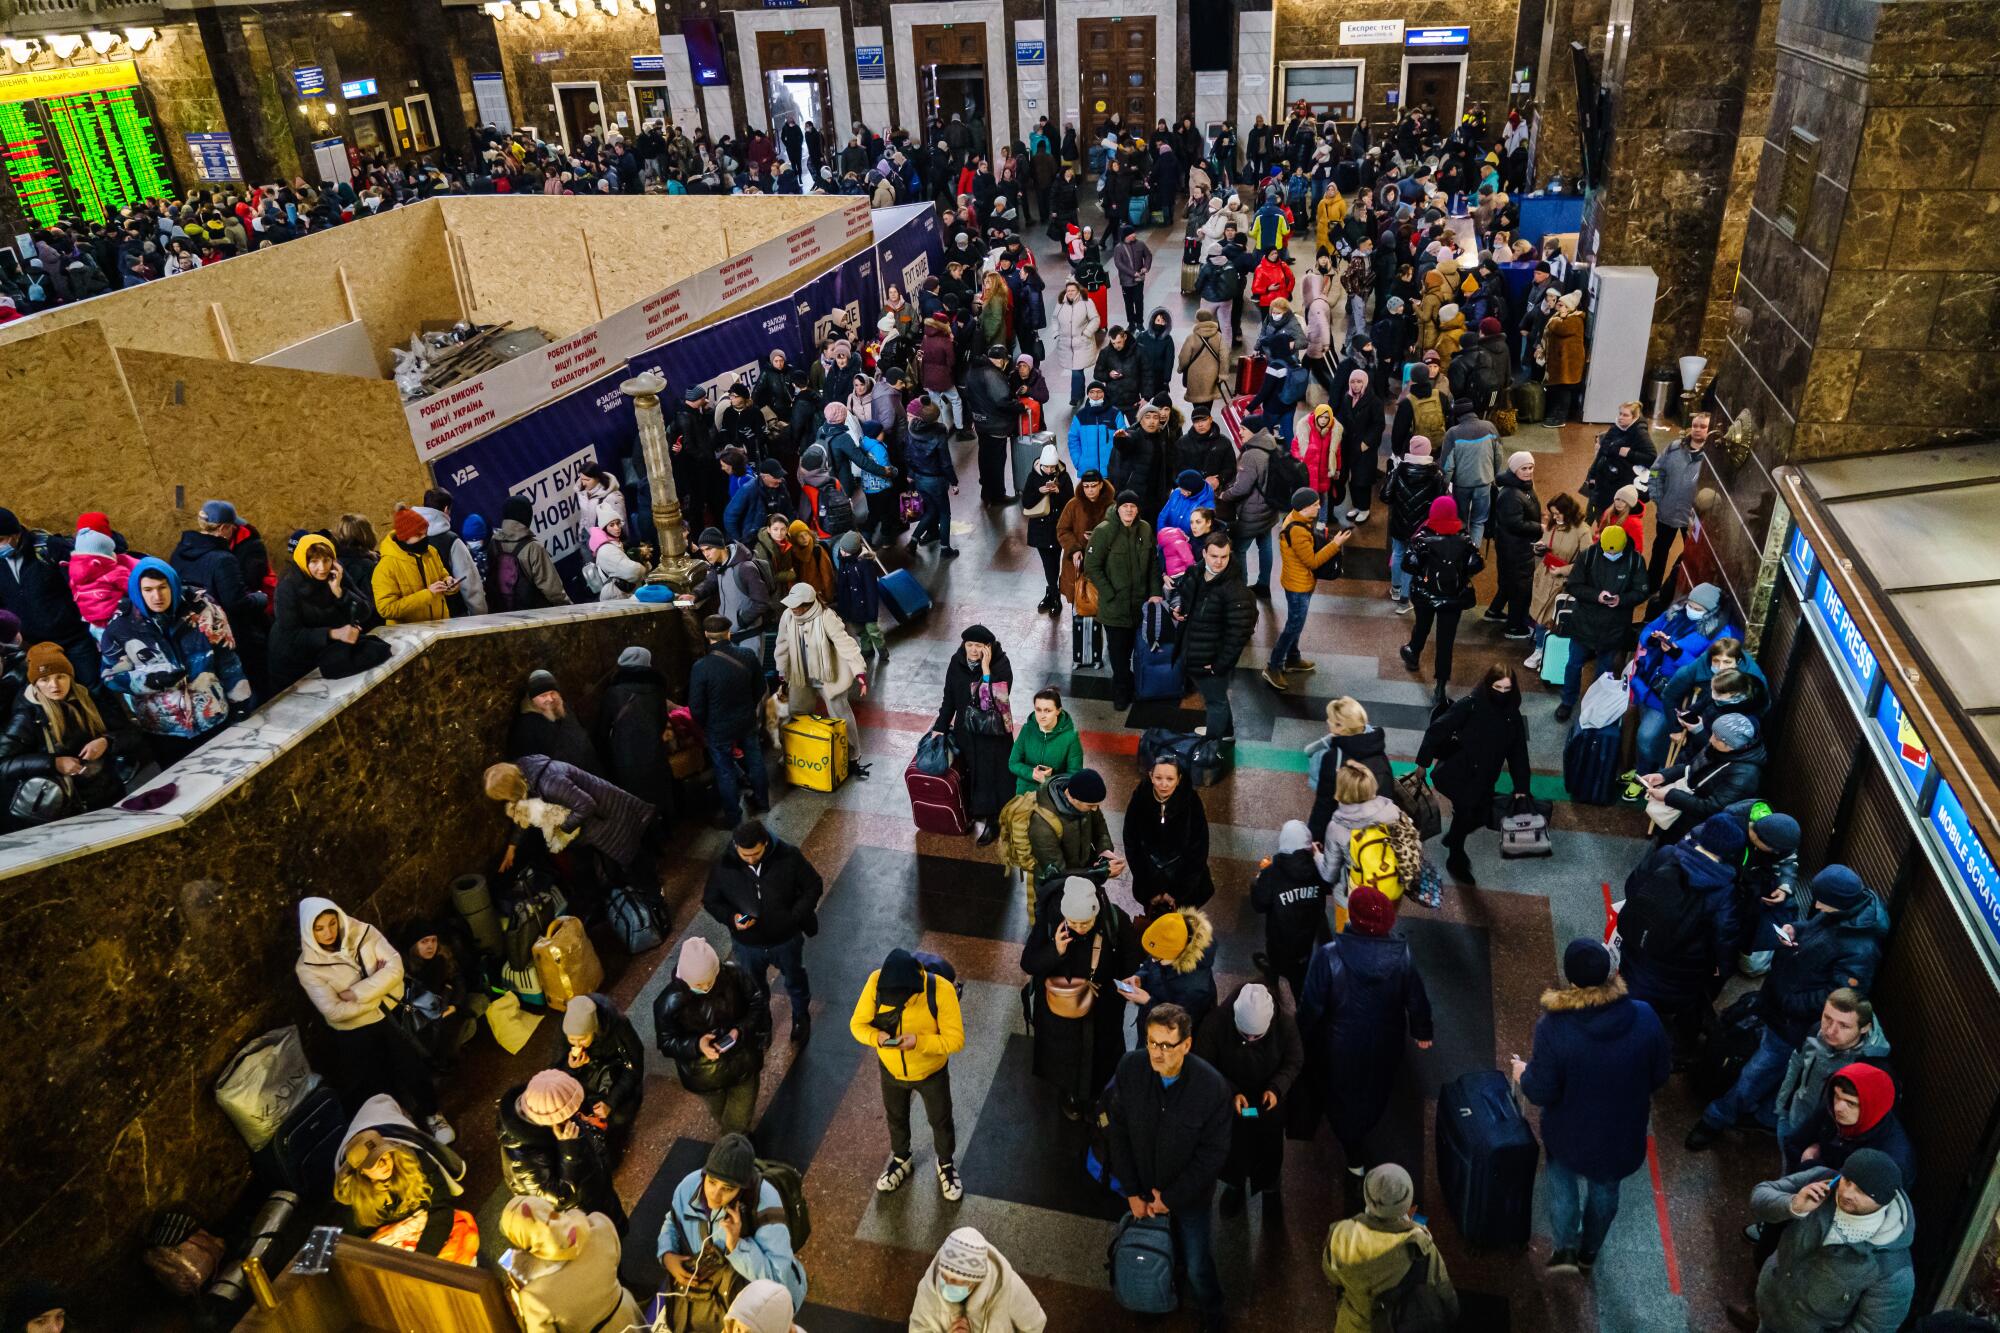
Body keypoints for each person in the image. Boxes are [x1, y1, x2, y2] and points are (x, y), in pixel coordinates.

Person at [1690, 865, 1890, 1151]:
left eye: (1823, 901)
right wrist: (1796, 928)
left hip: (1791, 1023)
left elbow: (1838, 996)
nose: (1817, 905)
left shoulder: (1862, 950)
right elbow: (1817, 928)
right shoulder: (1845, 917)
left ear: (1839, 902)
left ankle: (1715, 1119)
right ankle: (1763, 1116)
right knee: (1770, 1072)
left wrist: (1790, 1002)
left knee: (1756, 1073)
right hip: (1780, 1006)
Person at [1511, 939, 1670, 1274]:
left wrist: (1522, 1074)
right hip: (1621, 1135)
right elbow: (1660, 1073)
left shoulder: (1554, 1028)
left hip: (1569, 1132)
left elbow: (1540, 1090)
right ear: (1611, 973)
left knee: (1563, 1189)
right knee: (1605, 1193)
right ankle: (1590, 1251)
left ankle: (1565, 1249)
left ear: (1571, 982)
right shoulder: (1645, 1015)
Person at [1104, 1002, 1233, 1330]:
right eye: (1151, 1042)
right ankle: (1150, 1296)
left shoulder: (1212, 1088)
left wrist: (1170, 1199)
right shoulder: (1131, 1069)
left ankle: (1213, 1312)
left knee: (1196, 1263)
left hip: (1188, 1199)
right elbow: (1117, 1132)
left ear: (1186, 1045)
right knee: (1148, 1248)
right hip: (1142, 1188)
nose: (1157, 1053)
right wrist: (1132, 1191)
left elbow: (1212, 1156)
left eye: (1166, 1045)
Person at [1300, 885, 1433, 1174]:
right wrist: (1422, 1031)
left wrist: (1303, 1039)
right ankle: (1370, 1120)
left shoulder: (1329, 956)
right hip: (1387, 1038)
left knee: (1342, 1090)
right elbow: (1415, 997)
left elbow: (1311, 1006)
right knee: (1378, 1084)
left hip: (1340, 1044)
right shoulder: (1402, 955)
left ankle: (1352, 1150)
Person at [295, 897, 450, 1142]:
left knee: (411, 1065)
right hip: (353, 1030)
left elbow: (395, 968)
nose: (328, 932)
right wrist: (377, 983)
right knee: (376, 1078)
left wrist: (356, 994)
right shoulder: (308, 967)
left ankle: (432, 1114)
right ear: (308, 929)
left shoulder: (362, 932)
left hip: (388, 1014)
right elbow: (333, 1010)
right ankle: (402, 1122)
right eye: (319, 928)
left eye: (331, 923)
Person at [1729, 1149, 1914, 1333]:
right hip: (1769, 1299)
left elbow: (1869, 1329)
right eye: (1847, 1181)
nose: (1847, 1193)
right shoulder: (1823, 1180)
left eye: (1861, 1191)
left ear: (1883, 1201)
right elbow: (1760, 1196)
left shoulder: (1894, 1271)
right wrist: (1793, 1205)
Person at [99, 558, 253, 765]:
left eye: (163, 587)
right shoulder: (120, 628)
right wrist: (148, 681)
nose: (157, 596)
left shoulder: (203, 611)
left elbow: (227, 657)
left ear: (173, 584)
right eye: (148, 589)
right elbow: (110, 676)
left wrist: (240, 700)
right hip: (164, 729)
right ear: (138, 591)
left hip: (212, 715)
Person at [1616, 813, 1745, 1049]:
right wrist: (1723, 968)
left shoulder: (1667, 854)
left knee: (1633, 991)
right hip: (1680, 966)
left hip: (1637, 945)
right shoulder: (1724, 891)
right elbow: (1725, 937)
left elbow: (1632, 885)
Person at [850, 947, 967, 1202]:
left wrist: (919, 1042)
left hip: (931, 1072)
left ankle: (945, 1164)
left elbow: (956, 1040)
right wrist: (875, 1037)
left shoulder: (941, 991)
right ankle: (901, 1159)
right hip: (891, 1070)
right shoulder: (875, 982)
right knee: (896, 1118)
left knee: (941, 1120)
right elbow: (857, 1025)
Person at [1022, 876, 1139, 1119]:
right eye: (1073, 922)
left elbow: (1130, 963)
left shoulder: (1115, 921)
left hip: (1103, 1006)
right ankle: (1071, 1094)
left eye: (1086, 922)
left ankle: (1100, 1094)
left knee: (1102, 1054)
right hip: (1062, 1010)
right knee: (1066, 1058)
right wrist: (1056, 950)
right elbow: (1029, 962)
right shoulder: (1050, 919)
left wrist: (1128, 985)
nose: (1080, 927)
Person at [656, 1135, 808, 1317]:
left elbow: (776, 1278)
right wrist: (667, 1254)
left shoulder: (764, 1203)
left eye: (727, 1189)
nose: (715, 1194)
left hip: (750, 1303)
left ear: (741, 1189)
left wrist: (736, 1246)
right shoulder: (689, 1186)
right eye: (711, 1181)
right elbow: (673, 1221)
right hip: (710, 1294)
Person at [485, 758, 657, 916]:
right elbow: (524, 810)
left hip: (606, 816)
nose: (505, 801)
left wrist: (562, 826)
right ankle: (625, 900)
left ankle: (654, 903)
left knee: (632, 856)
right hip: (595, 822)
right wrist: (512, 846)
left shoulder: (549, 783)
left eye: (503, 797)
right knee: (606, 862)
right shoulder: (525, 770)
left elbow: (586, 805)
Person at [705, 820, 825, 1044]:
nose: (751, 859)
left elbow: (813, 885)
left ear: (766, 843)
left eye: (756, 853)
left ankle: (800, 1018)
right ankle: (763, 1024)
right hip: (748, 944)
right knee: (754, 989)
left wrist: (794, 916)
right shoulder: (724, 865)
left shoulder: (788, 856)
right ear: (735, 846)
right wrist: (732, 918)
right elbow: (711, 900)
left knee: (796, 981)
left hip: (786, 940)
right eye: (745, 855)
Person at [0, 643, 141, 824]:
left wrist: (107, 742)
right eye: (44, 680)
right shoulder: (27, 716)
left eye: (61, 676)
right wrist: (53, 763)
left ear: (70, 677)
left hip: (108, 793)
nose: (54, 685)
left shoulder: (88, 699)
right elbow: (3, 764)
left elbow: (132, 733)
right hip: (66, 806)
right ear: (35, 684)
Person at [1418, 664, 1533, 885]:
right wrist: (1422, 763)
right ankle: (1456, 856)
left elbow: (1519, 754)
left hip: (1485, 777)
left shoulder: (1512, 717)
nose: (1501, 693)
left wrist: (1521, 789)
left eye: (1506, 689)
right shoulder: (1470, 705)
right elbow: (1438, 729)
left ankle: (1454, 839)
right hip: (1458, 773)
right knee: (1466, 813)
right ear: (1489, 684)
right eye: (1497, 687)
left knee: (1479, 814)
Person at [1194, 982, 1302, 1208]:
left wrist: (1276, 1088)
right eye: (1245, 1035)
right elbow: (1204, 1064)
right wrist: (1230, 1091)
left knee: (1270, 1151)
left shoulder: (1285, 1023)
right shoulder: (1216, 1023)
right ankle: (1236, 1186)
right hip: (1229, 1103)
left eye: (1257, 1036)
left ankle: (1271, 1189)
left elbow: (1293, 1061)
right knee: (1233, 1150)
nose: (1251, 1040)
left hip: (1268, 1104)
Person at [653, 936, 772, 1136]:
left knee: (734, 1126)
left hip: (743, 1062)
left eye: (710, 980)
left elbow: (757, 1003)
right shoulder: (668, 1003)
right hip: (704, 1075)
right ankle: (740, 1144)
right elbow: (666, 1042)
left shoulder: (734, 975)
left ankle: (733, 1150)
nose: (706, 987)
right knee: (725, 1117)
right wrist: (697, 1045)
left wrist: (740, 1030)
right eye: (699, 984)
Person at [1321, 1163, 1459, 1333]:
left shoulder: (1340, 1234)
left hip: (1353, 1326)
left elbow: (1331, 1275)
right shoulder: (1418, 1244)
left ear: (1367, 1196)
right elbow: (1441, 1286)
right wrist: (1452, 1315)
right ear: (1407, 1202)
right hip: (1398, 1325)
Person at [1775, 991, 1893, 1172]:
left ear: (1864, 1028)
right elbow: (1796, 1065)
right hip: (1795, 1114)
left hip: (1823, 1137)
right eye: (1827, 1018)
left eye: (1844, 1026)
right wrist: (1783, 1105)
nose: (1830, 1030)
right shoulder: (1816, 1031)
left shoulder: (1871, 1066)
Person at [497, 1195, 641, 1333]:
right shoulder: (600, 1226)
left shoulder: (534, 1297)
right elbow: (616, 1256)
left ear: (524, 1243)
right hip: (626, 1311)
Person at [269, 533, 389, 692]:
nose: (322, 567)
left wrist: (340, 592)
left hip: (327, 656)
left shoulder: (336, 575)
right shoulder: (288, 587)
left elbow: (364, 612)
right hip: (294, 664)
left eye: (327, 560)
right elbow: (291, 634)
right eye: (314, 561)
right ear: (303, 562)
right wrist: (334, 633)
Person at [930, 625, 1015, 845]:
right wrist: (940, 726)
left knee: (993, 777)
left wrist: (986, 671)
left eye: (979, 646)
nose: (974, 650)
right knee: (974, 774)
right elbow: (949, 697)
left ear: (988, 647)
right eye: (970, 645)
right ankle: (978, 811)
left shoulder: (1001, 665)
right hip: (966, 732)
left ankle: (994, 820)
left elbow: (994, 703)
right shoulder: (956, 662)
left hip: (992, 734)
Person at [1555, 525, 1648, 722]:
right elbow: (1573, 584)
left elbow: (1641, 591)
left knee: (1604, 670)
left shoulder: (1635, 561)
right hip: (1584, 623)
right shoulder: (1588, 555)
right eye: (1606, 551)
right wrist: (1597, 596)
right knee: (1573, 664)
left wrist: (1620, 600)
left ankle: (1595, 704)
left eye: (1614, 552)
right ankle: (1568, 701)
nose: (1610, 555)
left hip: (1613, 627)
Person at [773, 583, 869, 770]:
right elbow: (782, 643)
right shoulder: (788, 616)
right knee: (796, 714)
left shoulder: (826, 617)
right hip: (801, 675)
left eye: (797, 605)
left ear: (808, 604)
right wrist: (782, 669)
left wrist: (859, 671)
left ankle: (852, 754)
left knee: (840, 714)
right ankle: (793, 752)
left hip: (828, 675)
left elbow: (845, 643)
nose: (793, 609)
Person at [689, 615, 772, 827]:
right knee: (755, 760)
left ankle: (733, 816)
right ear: (729, 633)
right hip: (746, 720)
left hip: (718, 726)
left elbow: (696, 706)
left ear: (707, 636)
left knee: (724, 769)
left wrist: (705, 724)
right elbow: (760, 688)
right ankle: (762, 801)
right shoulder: (747, 655)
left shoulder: (701, 666)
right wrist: (748, 707)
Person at [1082, 490, 1162, 711]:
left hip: (1140, 606)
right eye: (1125, 506)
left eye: (1133, 507)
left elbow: (1153, 564)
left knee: (1138, 650)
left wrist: (1155, 592)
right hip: (1114, 609)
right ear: (1117, 508)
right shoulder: (1104, 531)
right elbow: (1092, 566)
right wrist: (1109, 593)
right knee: (1119, 655)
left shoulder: (1145, 529)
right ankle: (1121, 692)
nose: (1129, 510)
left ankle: (1132, 686)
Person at [1398, 496, 1483, 702]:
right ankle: (1440, 685)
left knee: (1422, 626)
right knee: (1446, 640)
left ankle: (1413, 654)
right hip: (1453, 598)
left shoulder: (1422, 537)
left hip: (1426, 595)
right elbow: (1476, 564)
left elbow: (1408, 564)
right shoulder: (1464, 538)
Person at [1173, 532, 1257, 740]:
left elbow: (1238, 634)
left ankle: (1214, 741)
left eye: (1224, 557)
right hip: (1195, 647)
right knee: (1216, 697)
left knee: (1214, 700)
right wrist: (1179, 607)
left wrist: (1220, 663)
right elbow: (1186, 595)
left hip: (1210, 656)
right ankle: (1225, 732)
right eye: (1214, 556)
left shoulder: (1236, 591)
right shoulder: (1195, 572)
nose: (1219, 562)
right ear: (1204, 554)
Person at [1267, 489, 1351, 691]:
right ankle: (1273, 666)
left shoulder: (1296, 519)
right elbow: (1312, 562)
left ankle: (1293, 658)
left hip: (1297, 581)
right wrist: (1335, 544)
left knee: (1295, 623)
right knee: (1293, 626)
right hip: (1298, 586)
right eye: (1315, 504)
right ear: (1304, 508)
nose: (1319, 506)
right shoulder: (1297, 531)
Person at [553, 993, 645, 1162]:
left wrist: (611, 1102)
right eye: (572, 1040)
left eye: (582, 1039)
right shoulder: (567, 1028)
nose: (576, 1044)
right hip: (588, 1082)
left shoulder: (619, 1027)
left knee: (619, 1117)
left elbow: (634, 1068)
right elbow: (555, 1070)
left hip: (616, 1079)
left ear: (594, 1030)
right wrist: (571, 1068)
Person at [1638, 712, 1767, 831]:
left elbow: (1711, 808)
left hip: (1698, 826)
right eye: (1713, 734)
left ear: (1732, 744)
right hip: (1685, 811)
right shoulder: (1720, 747)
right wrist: (1664, 776)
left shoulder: (1745, 775)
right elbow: (1692, 766)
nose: (1710, 740)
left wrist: (1669, 796)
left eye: (1717, 738)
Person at [908, 1227, 1048, 1333]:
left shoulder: (1011, 1287)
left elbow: (1035, 1325)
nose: (947, 1285)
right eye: (944, 1276)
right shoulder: (928, 1287)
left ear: (975, 1280)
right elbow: (917, 1328)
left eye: (958, 1281)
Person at [1125, 753, 1216, 912]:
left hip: (1183, 877)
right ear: (1151, 776)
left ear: (1179, 779)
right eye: (1158, 778)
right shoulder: (1140, 797)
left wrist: (1177, 892)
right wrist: (1150, 890)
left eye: (1170, 779)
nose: (1164, 784)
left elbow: (1199, 847)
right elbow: (1131, 842)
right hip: (1150, 875)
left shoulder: (1191, 801)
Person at [1649, 411, 1711, 607]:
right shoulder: (1674, 449)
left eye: (1703, 427)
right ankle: (1652, 586)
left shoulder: (1710, 459)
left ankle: (1679, 588)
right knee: (1659, 550)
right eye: (1695, 425)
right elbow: (1656, 471)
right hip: (1667, 512)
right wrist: (1658, 496)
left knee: (1690, 554)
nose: (1698, 430)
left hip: (1692, 519)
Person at [1526, 491, 1591, 671]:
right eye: (1552, 514)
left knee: (1552, 619)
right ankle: (1540, 649)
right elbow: (1546, 542)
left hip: (1563, 582)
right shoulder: (1552, 526)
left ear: (1568, 510)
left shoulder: (1583, 531)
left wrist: (1563, 570)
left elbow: (1584, 562)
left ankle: (1546, 652)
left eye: (1557, 513)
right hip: (1545, 576)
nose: (1554, 517)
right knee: (1539, 616)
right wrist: (1540, 548)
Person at [1379, 436, 1445, 609]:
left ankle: (1395, 588)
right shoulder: (1436, 474)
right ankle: (1405, 598)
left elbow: (1385, 496)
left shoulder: (1399, 469)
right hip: (1421, 527)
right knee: (1413, 558)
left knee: (1398, 553)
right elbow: (1440, 502)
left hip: (1399, 522)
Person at [508, 668, 604, 777]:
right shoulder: (526, 727)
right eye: (543, 696)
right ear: (533, 699)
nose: (550, 698)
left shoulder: (563, 707)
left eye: (552, 693)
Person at [1487, 451, 1540, 640]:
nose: (1528, 472)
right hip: (1515, 548)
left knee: (1509, 582)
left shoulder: (1521, 486)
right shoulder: (1511, 494)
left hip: (1512, 546)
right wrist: (1540, 527)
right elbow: (1515, 524)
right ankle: (1515, 627)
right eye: (1524, 468)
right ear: (1514, 470)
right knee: (1520, 587)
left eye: (1531, 467)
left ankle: (1494, 611)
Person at [372, 507, 455, 625]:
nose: (425, 538)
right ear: (405, 537)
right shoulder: (385, 567)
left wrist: (449, 582)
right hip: (409, 636)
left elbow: (442, 574)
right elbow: (386, 609)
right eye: (419, 535)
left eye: (426, 533)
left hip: (440, 627)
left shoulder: (431, 552)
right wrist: (428, 594)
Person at [489, 495, 570, 610]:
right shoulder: (533, 547)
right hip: (532, 615)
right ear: (527, 516)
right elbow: (552, 589)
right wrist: (569, 610)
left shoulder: (494, 542)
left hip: (502, 615)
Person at [1021, 445, 1075, 614]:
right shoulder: (1033, 477)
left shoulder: (1064, 477)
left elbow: (1071, 502)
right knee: (1048, 564)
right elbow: (1026, 503)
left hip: (1058, 528)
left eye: (1052, 467)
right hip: (1040, 528)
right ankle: (1053, 593)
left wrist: (1058, 492)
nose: (1050, 470)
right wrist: (1040, 491)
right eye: (1047, 467)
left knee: (1053, 563)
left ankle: (1053, 594)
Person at [1584, 401, 1658, 519]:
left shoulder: (1640, 433)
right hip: (1604, 477)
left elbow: (1652, 457)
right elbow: (1602, 453)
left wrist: (1629, 453)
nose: (1621, 418)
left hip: (1618, 482)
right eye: (1620, 414)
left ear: (1634, 417)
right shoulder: (1615, 429)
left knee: (1606, 514)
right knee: (1592, 509)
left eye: (1625, 415)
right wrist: (1591, 475)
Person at [1008, 685, 1083, 796]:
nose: (1042, 716)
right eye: (1038, 710)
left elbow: (1075, 775)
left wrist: (1049, 779)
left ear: (1058, 711)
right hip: (1025, 792)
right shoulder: (1027, 730)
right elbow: (1013, 763)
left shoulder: (1071, 737)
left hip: (1053, 794)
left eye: (1048, 711)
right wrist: (1032, 773)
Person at [1540, 289, 1586, 426]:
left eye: (1561, 304)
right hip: (1560, 362)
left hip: (1568, 364)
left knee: (1564, 390)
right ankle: (1555, 414)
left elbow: (1560, 329)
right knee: (1558, 390)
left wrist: (1560, 317)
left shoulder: (1575, 319)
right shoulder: (1561, 317)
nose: (1558, 306)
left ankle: (1560, 418)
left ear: (1569, 307)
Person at [1053, 279, 1102, 406]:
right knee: (1076, 370)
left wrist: (1086, 333)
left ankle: (1075, 397)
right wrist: (1056, 333)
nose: (1070, 292)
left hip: (1082, 344)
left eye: (1073, 290)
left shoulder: (1087, 303)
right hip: (1066, 344)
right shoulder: (1060, 303)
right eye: (1068, 290)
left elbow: (1095, 319)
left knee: (1076, 370)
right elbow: (1055, 319)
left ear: (1078, 291)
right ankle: (1079, 394)